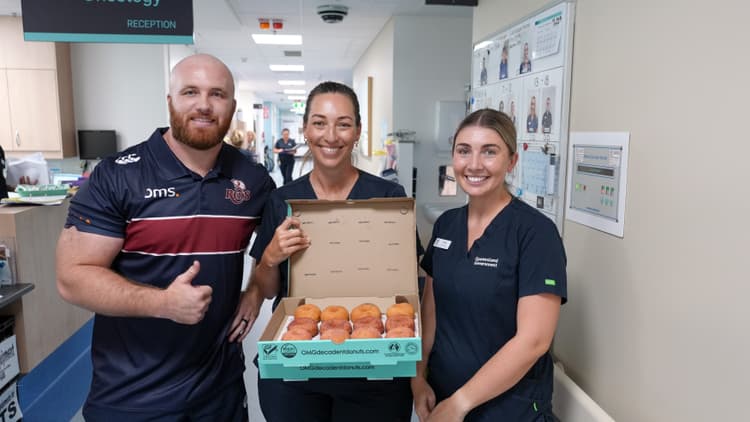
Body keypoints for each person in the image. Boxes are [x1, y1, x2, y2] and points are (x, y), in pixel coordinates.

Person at [55, 54, 275, 422]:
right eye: (190, 92)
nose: (204, 105)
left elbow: (272, 250)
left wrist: (253, 291)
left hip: (219, 390)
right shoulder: (118, 177)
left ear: (232, 107)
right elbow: (72, 277)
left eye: (217, 94)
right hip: (132, 395)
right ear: (170, 101)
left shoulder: (251, 179)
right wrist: (163, 303)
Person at [238, 81, 416, 422]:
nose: (331, 135)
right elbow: (269, 287)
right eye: (319, 123)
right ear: (305, 129)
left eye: (343, 124)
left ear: (358, 131)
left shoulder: (387, 196)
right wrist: (271, 256)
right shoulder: (282, 200)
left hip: (373, 367)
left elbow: (407, 282)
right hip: (296, 368)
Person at [412, 108, 567, 421]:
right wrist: (417, 377)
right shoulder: (446, 225)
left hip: (510, 409)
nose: (474, 164)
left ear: (511, 161)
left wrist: (460, 403)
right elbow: (430, 310)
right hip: (443, 397)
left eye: (489, 152)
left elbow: (534, 341)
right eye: (464, 151)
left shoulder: (535, 233)